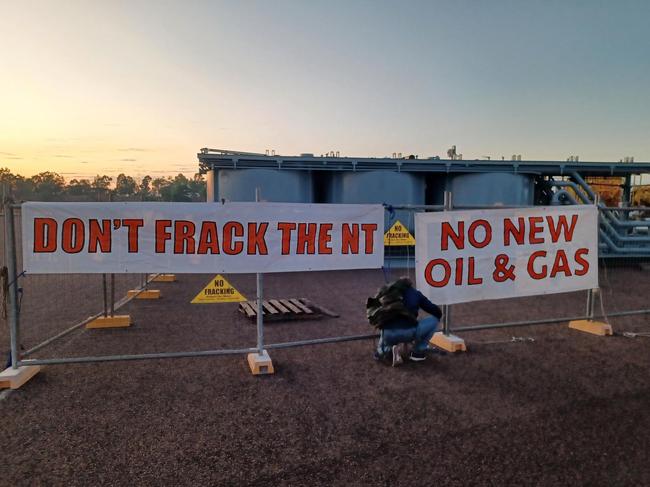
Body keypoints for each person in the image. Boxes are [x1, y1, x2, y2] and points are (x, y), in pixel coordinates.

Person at [370, 277, 443, 366]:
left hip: (387, 334)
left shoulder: (386, 292)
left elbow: (374, 312)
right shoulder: (415, 294)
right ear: (410, 285)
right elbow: (434, 310)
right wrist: (439, 314)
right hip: (408, 333)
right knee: (434, 320)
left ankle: (383, 351)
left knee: (385, 321)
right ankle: (418, 352)